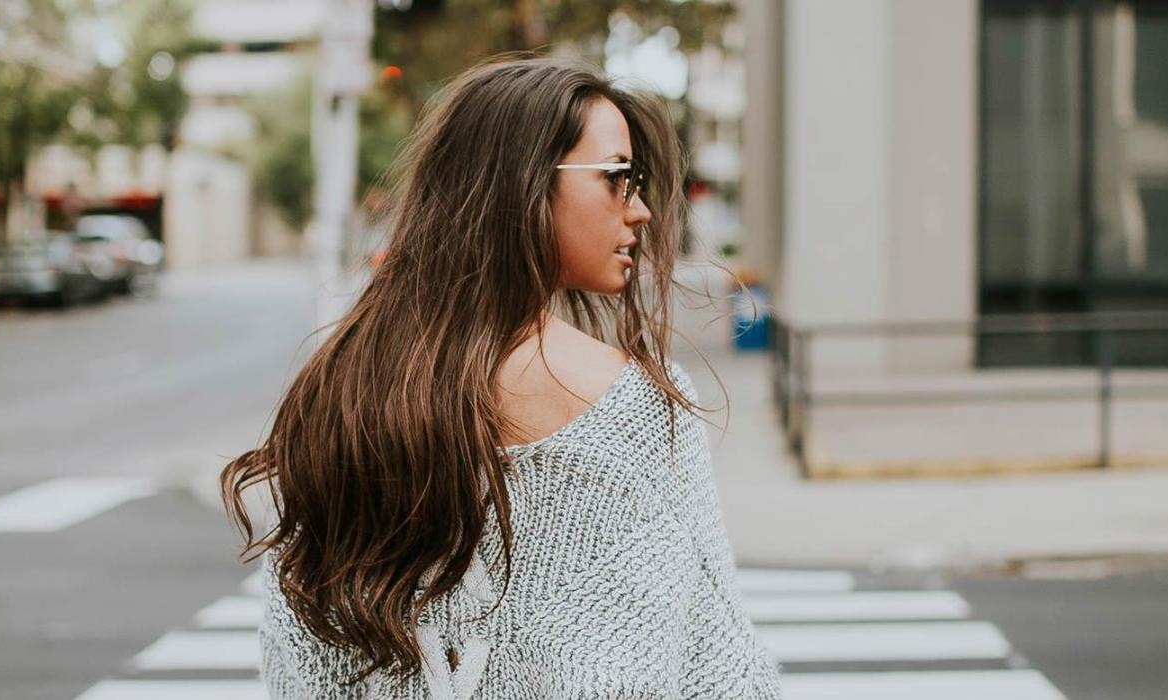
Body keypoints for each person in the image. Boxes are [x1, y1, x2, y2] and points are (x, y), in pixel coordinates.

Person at [220, 56, 781, 699]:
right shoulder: (638, 410)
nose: (644, 211)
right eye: (618, 179)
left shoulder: (342, 392)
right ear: (525, 185)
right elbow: (721, 670)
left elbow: (298, 667)